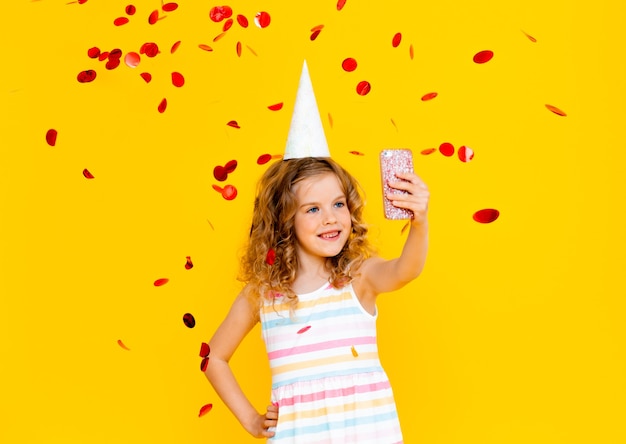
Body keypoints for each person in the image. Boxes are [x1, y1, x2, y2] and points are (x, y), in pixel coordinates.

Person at [202, 62, 429, 443]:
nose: (331, 219)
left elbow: (407, 270)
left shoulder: (359, 277)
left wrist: (420, 221)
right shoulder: (263, 295)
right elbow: (214, 358)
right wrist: (250, 419)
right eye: (313, 209)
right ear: (283, 220)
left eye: (339, 204)